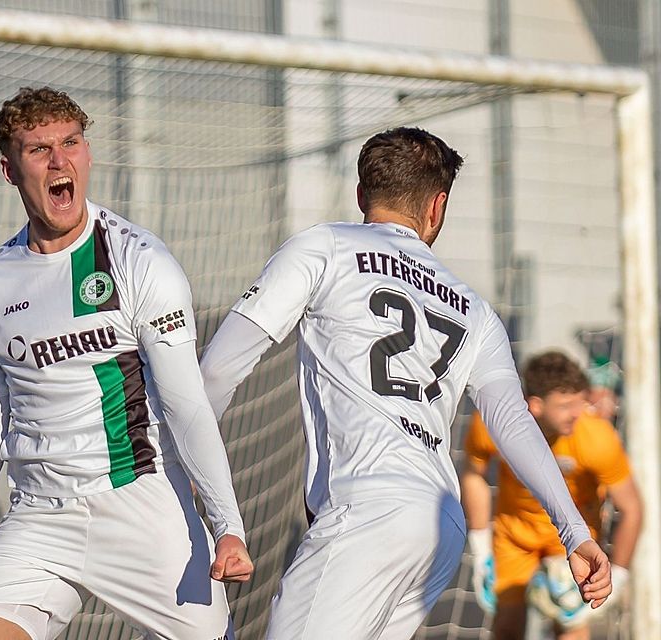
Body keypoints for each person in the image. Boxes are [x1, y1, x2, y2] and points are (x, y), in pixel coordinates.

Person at [198, 127, 612, 639]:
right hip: (439, 527)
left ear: (361, 194)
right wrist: (575, 532)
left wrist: (184, 465)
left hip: (366, 510)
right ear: (437, 207)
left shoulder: (326, 245)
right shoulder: (474, 308)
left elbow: (217, 369)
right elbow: (513, 424)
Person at [0, 86, 252, 640]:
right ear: (9, 171)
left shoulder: (139, 261)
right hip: (40, 516)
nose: (60, 161)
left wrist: (227, 526)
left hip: (145, 506)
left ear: (88, 153)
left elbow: (186, 405)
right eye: (39, 150)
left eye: (71, 143)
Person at [462, 351, 642, 640]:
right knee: (506, 628)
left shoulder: (597, 437)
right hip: (515, 536)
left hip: (573, 540)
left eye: (580, 402)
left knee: (571, 630)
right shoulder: (492, 422)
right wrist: (481, 545)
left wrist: (619, 575)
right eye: (565, 405)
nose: (577, 412)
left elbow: (632, 508)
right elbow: (474, 475)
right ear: (535, 406)